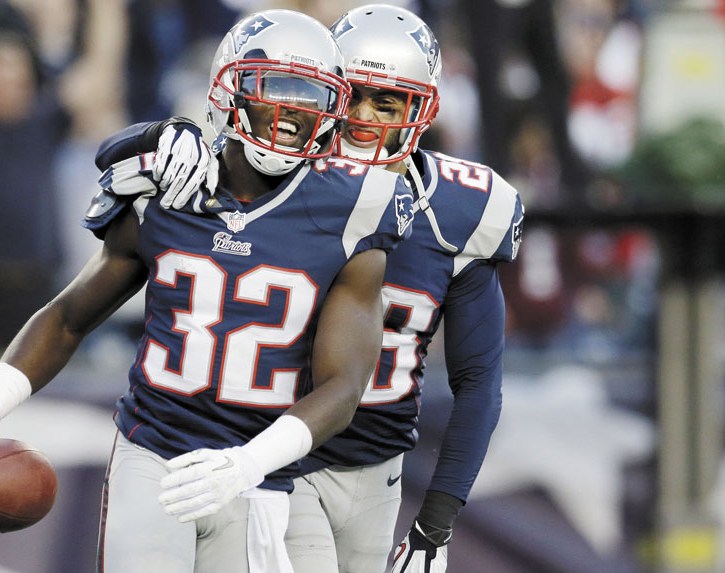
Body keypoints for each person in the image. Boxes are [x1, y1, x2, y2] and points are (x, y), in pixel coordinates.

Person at [0, 9, 415, 573]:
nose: (293, 112)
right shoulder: (166, 189)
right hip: (154, 449)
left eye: (313, 95)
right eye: (277, 88)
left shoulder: (354, 211)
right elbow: (69, 317)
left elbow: (344, 385)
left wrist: (248, 463)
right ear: (229, 89)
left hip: (261, 469)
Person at [95, 6, 523, 572]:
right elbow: (123, 158)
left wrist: (435, 526)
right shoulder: (278, 174)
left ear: (422, 110)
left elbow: (478, 384)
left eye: (387, 101)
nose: (363, 117)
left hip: (379, 468)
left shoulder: (462, 210)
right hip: (283, 457)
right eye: (352, 97)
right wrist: (162, 133)